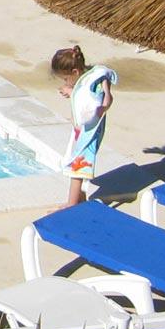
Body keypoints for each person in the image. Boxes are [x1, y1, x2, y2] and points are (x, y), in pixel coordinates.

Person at [52, 44, 116, 208]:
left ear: (75, 72)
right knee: (75, 163)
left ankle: (71, 206)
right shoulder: (85, 78)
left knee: (77, 168)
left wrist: (100, 110)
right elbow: (82, 94)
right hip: (81, 130)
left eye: (66, 79)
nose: (67, 82)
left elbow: (107, 99)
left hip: (89, 132)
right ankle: (80, 199)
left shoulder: (97, 78)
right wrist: (71, 91)